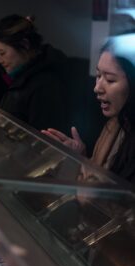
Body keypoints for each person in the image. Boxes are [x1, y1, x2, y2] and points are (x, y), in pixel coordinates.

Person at [42, 34, 135, 184]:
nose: (97, 88)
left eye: (110, 79)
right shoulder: (114, 123)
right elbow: (97, 176)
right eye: (98, 75)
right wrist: (79, 157)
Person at [0, 15, 69, 133]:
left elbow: (43, 142)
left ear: (25, 45)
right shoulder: (21, 77)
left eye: (2, 53)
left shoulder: (45, 86)